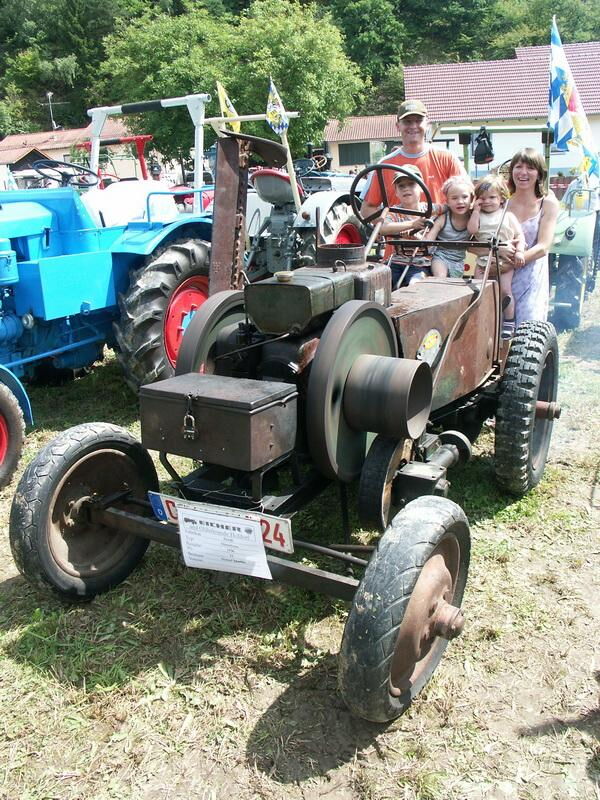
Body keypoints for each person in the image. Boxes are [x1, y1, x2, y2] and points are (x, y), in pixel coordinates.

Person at [361, 99, 464, 221]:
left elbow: (466, 198)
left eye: (418, 121)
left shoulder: (447, 159)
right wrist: (393, 227)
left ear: (427, 124)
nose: (413, 126)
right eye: (407, 122)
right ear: (398, 126)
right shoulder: (384, 165)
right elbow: (367, 209)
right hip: (398, 238)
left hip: (440, 237)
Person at [503, 148, 560, 328]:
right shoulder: (502, 202)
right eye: (518, 167)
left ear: (539, 173)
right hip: (501, 274)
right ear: (511, 172)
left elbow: (543, 247)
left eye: (530, 168)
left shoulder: (547, 203)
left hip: (530, 273)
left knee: (528, 327)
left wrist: (510, 263)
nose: (523, 173)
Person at [467, 174, 525, 336]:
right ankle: (482, 319)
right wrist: (476, 211)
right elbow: (472, 231)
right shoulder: (478, 216)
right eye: (482, 198)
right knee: (478, 290)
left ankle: (509, 322)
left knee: (505, 291)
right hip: (482, 261)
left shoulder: (507, 216)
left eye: (492, 197)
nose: (487, 201)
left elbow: (519, 236)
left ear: (501, 199)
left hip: (504, 261)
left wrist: (520, 251)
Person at [379, 165, 444, 288]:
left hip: (421, 264)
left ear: (421, 187)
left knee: (414, 285)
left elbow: (448, 208)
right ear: (396, 192)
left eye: (411, 184)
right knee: (377, 283)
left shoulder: (430, 209)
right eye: (401, 186)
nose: (406, 189)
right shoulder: (394, 212)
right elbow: (382, 228)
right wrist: (411, 224)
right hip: (396, 262)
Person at [428, 176, 475, 278]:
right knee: (441, 277)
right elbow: (428, 240)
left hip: (460, 259)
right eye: (454, 198)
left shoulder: (473, 218)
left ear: (471, 199)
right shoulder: (443, 219)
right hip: (441, 257)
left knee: (457, 285)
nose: (460, 201)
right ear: (447, 201)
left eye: (465, 197)